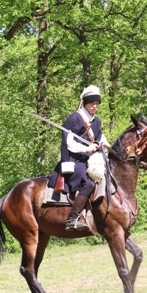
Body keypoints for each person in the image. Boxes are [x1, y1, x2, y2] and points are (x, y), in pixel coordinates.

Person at [55, 85, 109, 231]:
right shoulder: (74, 118)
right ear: (86, 102)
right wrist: (87, 148)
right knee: (90, 183)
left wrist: (105, 145)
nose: (95, 105)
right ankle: (72, 219)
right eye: (92, 102)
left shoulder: (96, 121)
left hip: (90, 159)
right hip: (74, 160)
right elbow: (69, 142)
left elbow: (99, 137)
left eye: (97, 103)